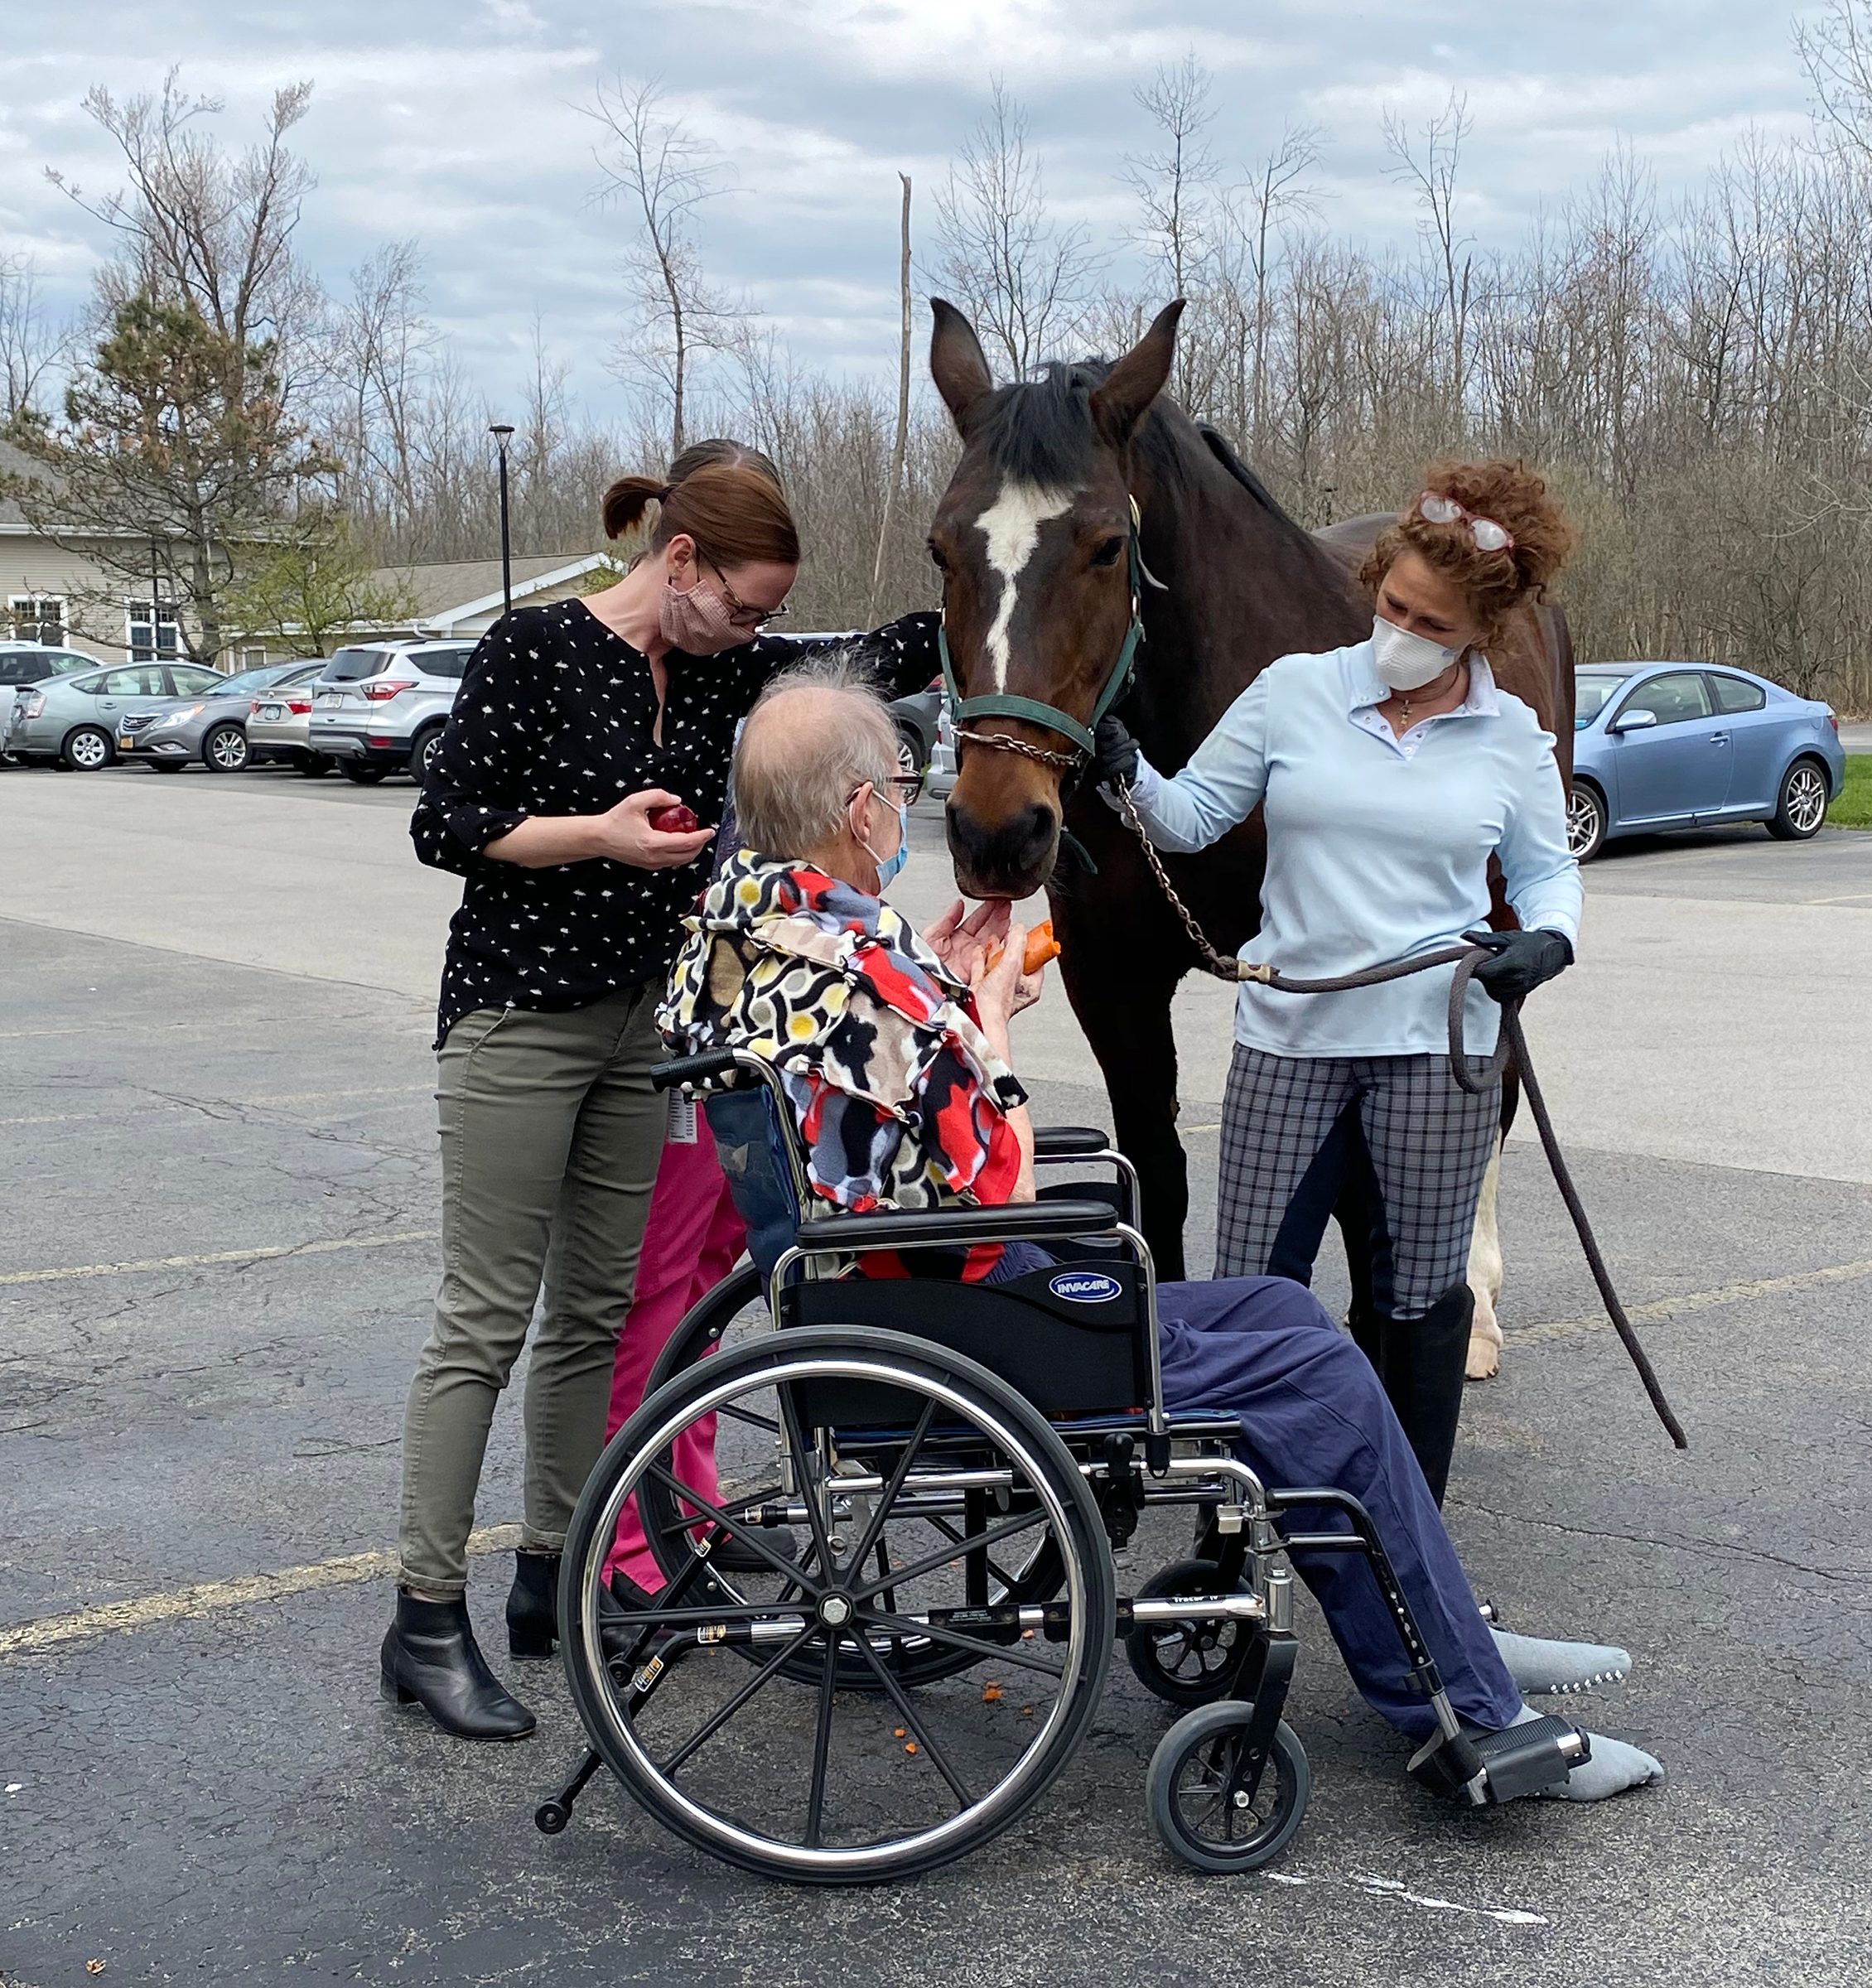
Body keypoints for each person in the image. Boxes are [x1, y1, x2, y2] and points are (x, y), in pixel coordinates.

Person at [659, 655, 1662, 1798]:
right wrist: (984, 1023)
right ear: (856, 809)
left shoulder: (747, 929)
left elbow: (852, 1088)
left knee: (1283, 1308)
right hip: (959, 1315)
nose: (909, 801)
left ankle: (1448, 1637)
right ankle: (1466, 1705)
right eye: (900, 781)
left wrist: (933, 983)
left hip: (877, 1290)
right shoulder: (866, 977)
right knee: (1317, 1377)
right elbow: (996, 1175)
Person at [382, 443, 938, 1740]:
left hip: (649, 1032)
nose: (754, 630)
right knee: (485, 1323)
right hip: (520, 1021)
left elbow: (874, 656)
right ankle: (421, 1618)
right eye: (742, 603)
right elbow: (447, 823)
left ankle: (554, 1579)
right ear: (676, 561)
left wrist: (992, 575)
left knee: (593, 1315)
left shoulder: (719, 666)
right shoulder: (533, 649)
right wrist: (604, 836)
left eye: (764, 616)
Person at [1091, 460, 1581, 1508]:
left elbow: (1547, 873)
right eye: (1392, 602)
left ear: (1477, 635)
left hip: (1435, 1051)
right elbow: (1189, 821)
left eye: (1430, 624)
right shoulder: (1294, 693)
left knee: (1418, 1303)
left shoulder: (1511, 741)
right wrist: (1126, 768)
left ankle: (1407, 1526)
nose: (1398, 630)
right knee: (1255, 1296)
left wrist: (1550, 938)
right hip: (1290, 1048)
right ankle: (1240, 1523)